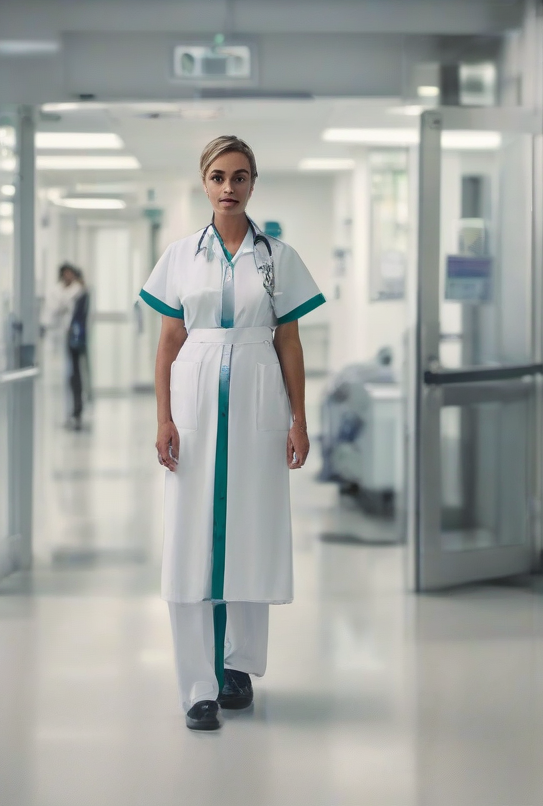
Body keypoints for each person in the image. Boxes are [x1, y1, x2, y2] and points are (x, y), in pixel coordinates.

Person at [140, 135, 325, 731]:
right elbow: (169, 342)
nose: (229, 187)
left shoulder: (278, 257)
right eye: (218, 176)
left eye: (240, 177)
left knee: (249, 530)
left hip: (255, 403)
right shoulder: (180, 256)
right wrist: (164, 417)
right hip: (195, 406)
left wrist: (299, 418)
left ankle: (238, 665)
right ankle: (197, 685)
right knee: (191, 538)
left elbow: (288, 341)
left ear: (252, 183)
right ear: (204, 182)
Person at [54, 263, 89, 430]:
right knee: (68, 377)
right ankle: (71, 412)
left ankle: (76, 411)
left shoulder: (79, 292)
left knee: (75, 376)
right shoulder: (58, 292)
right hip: (63, 338)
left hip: (74, 339)